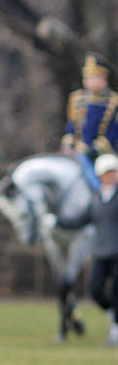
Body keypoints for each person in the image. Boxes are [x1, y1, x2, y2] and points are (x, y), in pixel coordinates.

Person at [61, 52, 118, 189]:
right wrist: (69, 143)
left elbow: (113, 131)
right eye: (87, 77)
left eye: (93, 77)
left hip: (103, 151)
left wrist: (96, 147)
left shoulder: (113, 101)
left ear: (103, 79)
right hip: (79, 150)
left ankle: (100, 194)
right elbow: (72, 126)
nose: (88, 81)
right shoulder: (77, 99)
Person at [89, 154, 118, 347]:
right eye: (106, 173)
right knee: (95, 288)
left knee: (117, 290)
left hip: (117, 251)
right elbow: (83, 217)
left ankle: (115, 331)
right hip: (101, 251)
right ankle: (114, 314)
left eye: (113, 172)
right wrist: (58, 221)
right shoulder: (97, 196)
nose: (110, 176)